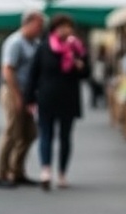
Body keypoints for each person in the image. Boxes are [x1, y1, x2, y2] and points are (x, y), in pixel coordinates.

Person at [24, 14, 89, 190]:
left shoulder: (78, 48)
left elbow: (87, 73)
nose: (65, 30)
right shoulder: (44, 48)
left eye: (68, 27)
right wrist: (29, 98)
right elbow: (33, 74)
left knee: (65, 137)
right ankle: (46, 170)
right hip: (47, 98)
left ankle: (62, 173)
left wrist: (80, 66)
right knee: (46, 134)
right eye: (62, 27)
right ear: (54, 29)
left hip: (68, 98)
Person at [0, 11, 45, 189]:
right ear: (28, 23)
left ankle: (17, 170)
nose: (41, 29)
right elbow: (8, 70)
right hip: (13, 91)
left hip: (28, 94)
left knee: (29, 133)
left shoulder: (35, 43)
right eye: (39, 25)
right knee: (12, 131)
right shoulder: (15, 42)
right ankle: (1, 173)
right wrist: (17, 96)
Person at [90, 45, 109, 109]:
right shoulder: (102, 59)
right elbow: (100, 69)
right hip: (98, 76)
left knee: (96, 92)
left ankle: (95, 103)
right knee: (98, 91)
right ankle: (96, 103)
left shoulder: (100, 58)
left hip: (97, 76)